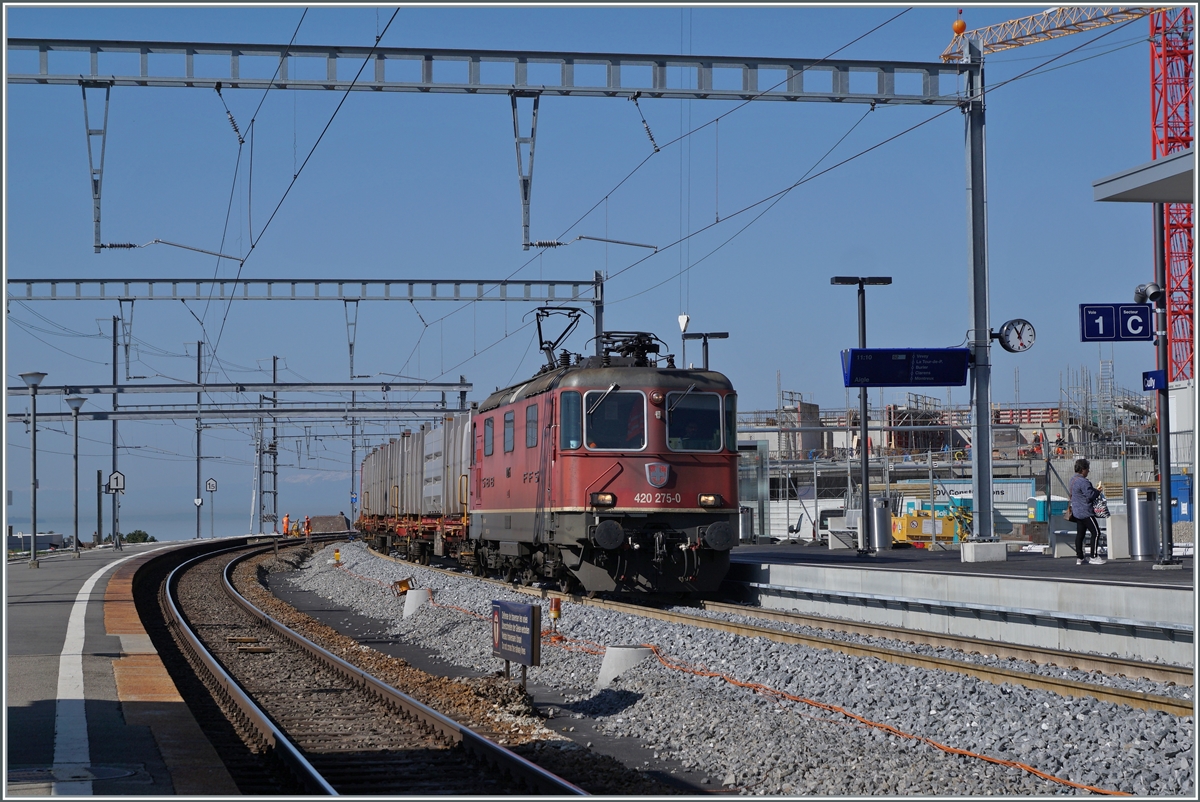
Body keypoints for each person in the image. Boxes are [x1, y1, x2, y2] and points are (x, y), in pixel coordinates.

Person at [1069, 458, 1106, 566]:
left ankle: (1079, 557)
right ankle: (1093, 556)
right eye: (1087, 469)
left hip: (1076, 511)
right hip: (1085, 511)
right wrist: (1097, 491)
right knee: (1096, 532)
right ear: (1083, 469)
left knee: (1080, 534)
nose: (1088, 471)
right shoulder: (1083, 481)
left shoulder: (1072, 479)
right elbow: (1090, 495)